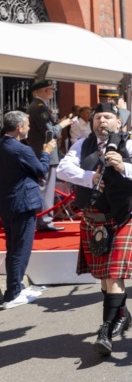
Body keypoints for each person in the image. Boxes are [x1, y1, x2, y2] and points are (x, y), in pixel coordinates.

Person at [56, 102, 132, 355]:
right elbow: (64, 169)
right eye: (98, 117)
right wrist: (90, 178)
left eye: (108, 117)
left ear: (118, 122)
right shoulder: (82, 145)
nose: (102, 121)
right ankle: (122, 314)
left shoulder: (131, 144)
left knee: (112, 274)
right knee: (104, 276)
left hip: (122, 217)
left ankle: (106, 331)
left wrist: (123, 167)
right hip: (94, 217)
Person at [0, 111, 55, 309]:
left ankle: (16, 287)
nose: (29, 128)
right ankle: (13, 293)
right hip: (22, 203)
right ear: (19, 128)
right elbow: (41, 170)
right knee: (20, 249)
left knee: (14, 248)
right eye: (28, 125)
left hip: (7, 203)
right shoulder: (21, 149)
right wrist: (47, 152)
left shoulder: (4, 145)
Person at [26, 78, 72, 232]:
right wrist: (63, 124)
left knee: (45, 187)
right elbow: (49, 131)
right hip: (45, 153)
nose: (53, 92)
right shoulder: (39, 107)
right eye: (51, 89)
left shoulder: (38, 106)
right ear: (44, 91)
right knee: (46, 187)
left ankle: (43, 219)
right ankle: (44, 220)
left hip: (43, 152)